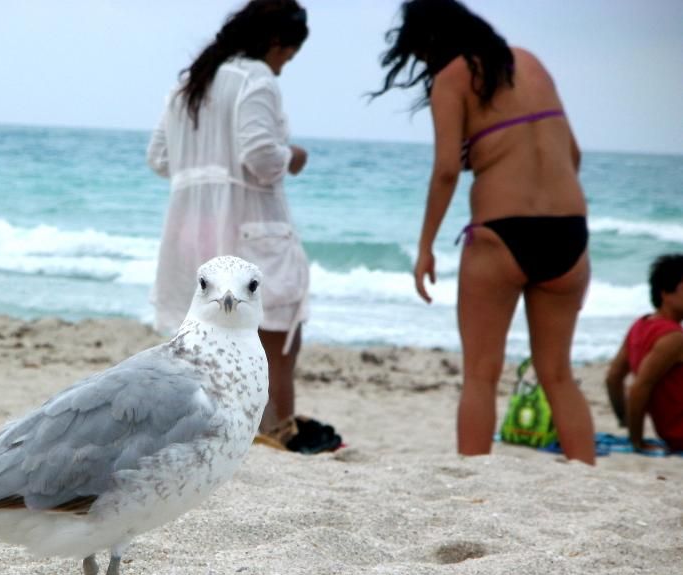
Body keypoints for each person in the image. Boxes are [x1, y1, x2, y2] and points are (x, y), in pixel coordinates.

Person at [368, 0, 595, 464]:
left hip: (500, 235)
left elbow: (448, 170)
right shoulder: (528, 61)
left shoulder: (452, 78)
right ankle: (584, 473)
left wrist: (426, 245)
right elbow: (573, 154)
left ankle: (475, 482)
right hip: (570, 234)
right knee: (557, 373)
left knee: (480, 374)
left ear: (428, 44)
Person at [147, 0, 341, 453]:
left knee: (203, 336)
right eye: (287, 56)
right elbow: (259, 157)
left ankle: (213, 428)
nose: (283, 66)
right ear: (276, 43)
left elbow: (159, 159)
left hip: (189, 228)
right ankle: (277, 429)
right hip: (249, 224)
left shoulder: (188, 85)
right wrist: (292, 155)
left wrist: (203, 166)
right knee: (276, 335)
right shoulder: (256, 79)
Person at [606, 255, 683, 452]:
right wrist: (637, 441)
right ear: (665, 293)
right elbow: (639, 388)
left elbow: (613, 378)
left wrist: (625, 420)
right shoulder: (674, 337)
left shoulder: (640, 325)